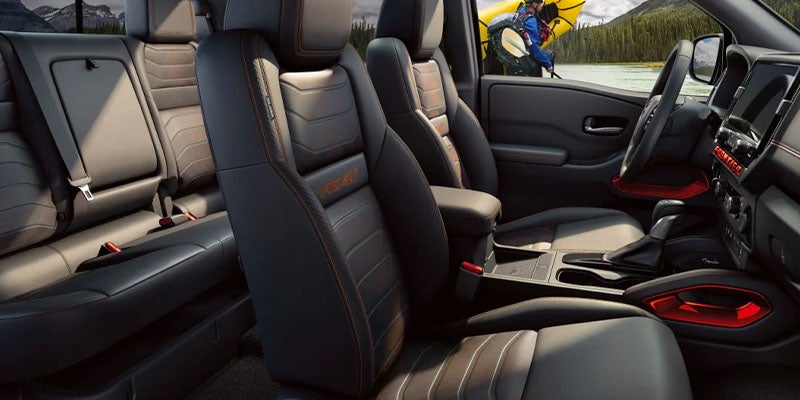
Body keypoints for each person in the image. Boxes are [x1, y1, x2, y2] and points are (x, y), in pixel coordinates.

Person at [513, 0, 554, 74]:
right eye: (541, 2)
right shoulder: (530, 21)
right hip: (527, 61)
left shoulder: (521, 11)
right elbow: (534, 47)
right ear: (535, 4)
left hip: (517, 58)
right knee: (551, 55)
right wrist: (548, 65)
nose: (543, 4)